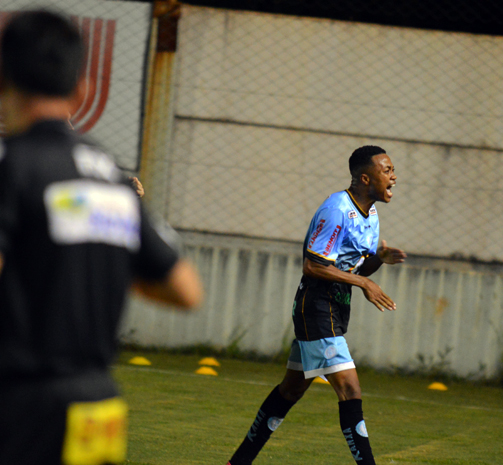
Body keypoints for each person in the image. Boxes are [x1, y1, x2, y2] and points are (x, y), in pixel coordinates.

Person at [0, 9, 203, 465]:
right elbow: (186, 290)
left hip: (21, 404)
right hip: (98, 406)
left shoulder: (12, 166)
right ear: (82, 90)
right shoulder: (111, 179)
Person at [227, 145, 407, 465]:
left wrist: (378, 261)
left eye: (393, 170)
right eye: (387, 170)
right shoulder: (337, 209)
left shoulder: (372, 213)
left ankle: (237, 462)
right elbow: (313, 266)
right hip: (317, 304)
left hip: (336, 305)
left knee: (290, 391)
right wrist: (366, 283)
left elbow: (355, 269)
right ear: (365, 178)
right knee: (350, 390)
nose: (394, 176)